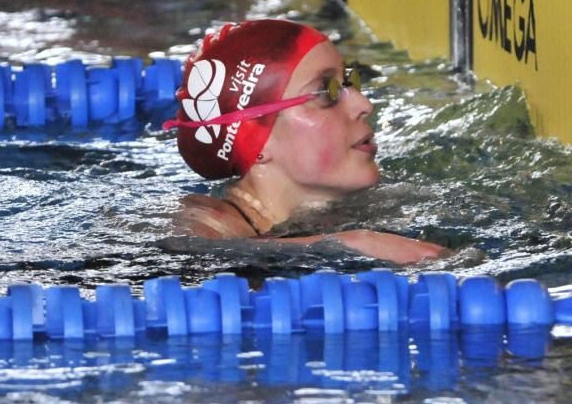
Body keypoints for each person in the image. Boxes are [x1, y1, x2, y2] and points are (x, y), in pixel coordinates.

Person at [165, 19, 449, 265]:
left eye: (350, 82)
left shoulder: (383, 203)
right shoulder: (205, 222)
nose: (364, 104)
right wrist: (349, 245)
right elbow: (190, 254)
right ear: (257, 141)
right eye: (326, 92)